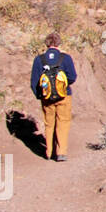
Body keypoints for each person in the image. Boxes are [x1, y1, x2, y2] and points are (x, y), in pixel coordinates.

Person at [30, 32, 76, 161]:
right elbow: (72, 77)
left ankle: (49, 152)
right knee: (63, 122)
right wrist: (62, 86)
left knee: (49, 124)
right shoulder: (65, 58)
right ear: (58, 43)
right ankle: (61, 152)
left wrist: (41, 95)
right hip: (64, 96)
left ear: (47, 43)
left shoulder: (39, 59)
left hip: (47, 98)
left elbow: (34, 82)